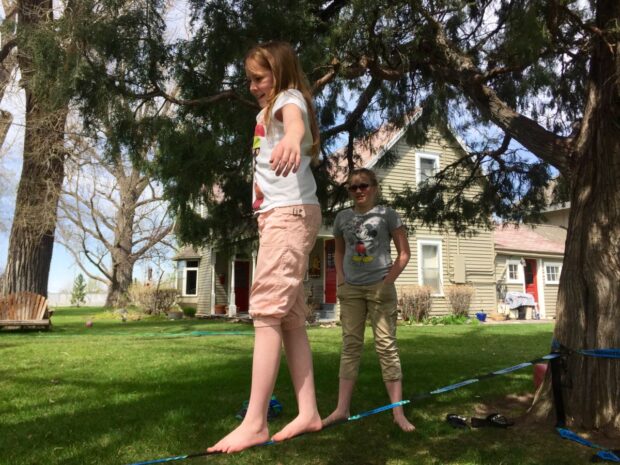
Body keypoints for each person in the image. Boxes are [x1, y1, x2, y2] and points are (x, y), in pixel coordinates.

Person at [208, 41, 323, 453]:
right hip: (280, 214)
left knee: (266, 309)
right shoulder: (263, 113)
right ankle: (308, 411)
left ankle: (255, 421)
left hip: (289, 214)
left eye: (260, 78)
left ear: (280, 72)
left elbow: (294, 122)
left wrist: (293, 137)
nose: (254, 86)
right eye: (249, 80)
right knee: (289, 317)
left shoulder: (289, 99)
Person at [322, 168, 415, 432]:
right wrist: (341, 280)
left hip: (380, 289)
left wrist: (387, 282)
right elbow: (339, 251)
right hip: (351, 290)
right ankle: (341, 410)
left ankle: (398, 413)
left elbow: (404, 253)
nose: (359, 191)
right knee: (350, 346)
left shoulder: (388, 215)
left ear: (374, 187)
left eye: (363, 185)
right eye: (353, 187)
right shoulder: (342, 217)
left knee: (386, 346)